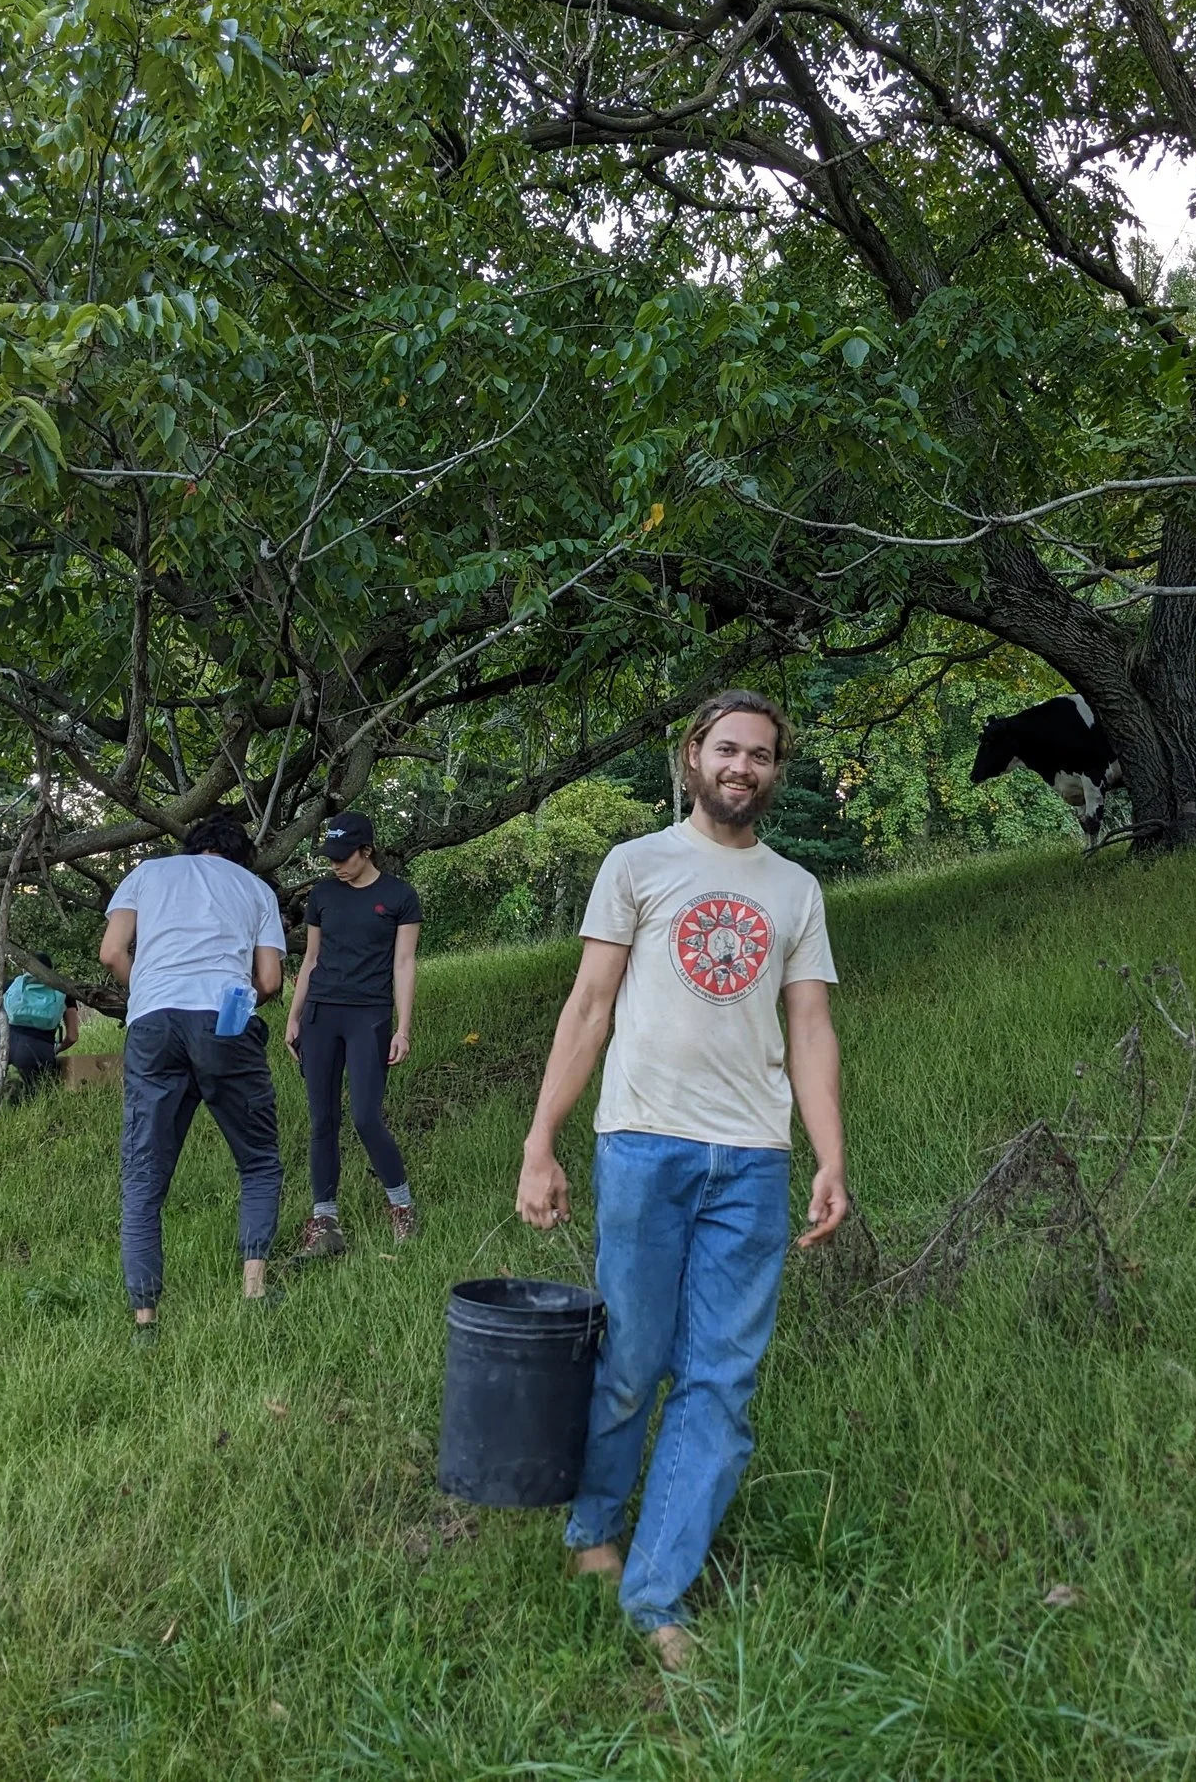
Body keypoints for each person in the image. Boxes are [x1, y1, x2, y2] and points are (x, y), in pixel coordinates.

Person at [516, 688, 851, 1672]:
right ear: (692, 756)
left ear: (775, 774)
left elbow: (811, 1027)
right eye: (727, 750)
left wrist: (830, 1154)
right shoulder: (637, 865)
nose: (742, 767)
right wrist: (542, 1140)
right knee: (628, 1361)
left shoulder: (795, 890)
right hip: (643, 1145)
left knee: (722, 1381)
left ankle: (654, 1591)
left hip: (753, 1157)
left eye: (761, 755)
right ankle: (592, 1530)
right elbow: (588, 1006)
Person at [98, 813, 287, 1334]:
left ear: (194, 846)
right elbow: (269, 979)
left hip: (153, 1022)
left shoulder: (148, 873)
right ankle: (254, 1291)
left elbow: (111, 952)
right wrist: (238, 1001)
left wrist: (151, 992)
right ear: (239, 853)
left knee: (143, 1178)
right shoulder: (255, 889)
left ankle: (145, 1318)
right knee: (258, 1161)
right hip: (223, 1021)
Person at [282, 810, 422, 1257]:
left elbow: (404, 964)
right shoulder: (323, 895)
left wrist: (402, 1028)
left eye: (345, 856)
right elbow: (310, 960)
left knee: (365, 1116)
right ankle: (324, 1222)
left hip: (370, 1016)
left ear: (367, 851)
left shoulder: (400, 896)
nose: (336, 865)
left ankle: (402, 1207)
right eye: (331, 857)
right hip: (322, 1015)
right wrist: (294, 1016)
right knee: (322, 1120)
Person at [0, 960, 81, 1102]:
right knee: (36, 1095)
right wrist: (55, 1050)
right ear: (50, 971)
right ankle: (23, 1111)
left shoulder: (12, 985)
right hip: (36, 1047)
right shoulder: (63, 992)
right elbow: (72, 1036)